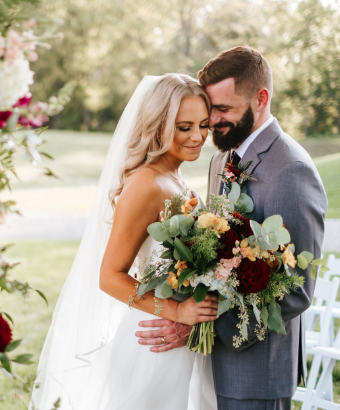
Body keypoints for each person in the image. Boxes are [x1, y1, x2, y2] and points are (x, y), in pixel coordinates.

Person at [136, 47, 328, 410]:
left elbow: (295, 290)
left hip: (255, 373)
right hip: (207, 364)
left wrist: (199, 326)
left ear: (261, 98)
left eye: (224, 109)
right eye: (211, 109)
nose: (214, 120)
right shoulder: (222, 158)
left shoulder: (292, 171)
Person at [29, 74, 218, 410]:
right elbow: (109, 275)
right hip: (154, 341)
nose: (198, 137)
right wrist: (176, 310)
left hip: (179, 340)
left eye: (203, 125)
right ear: (158, 125)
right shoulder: (146, 183)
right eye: (184, 126)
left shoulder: (173, 176)